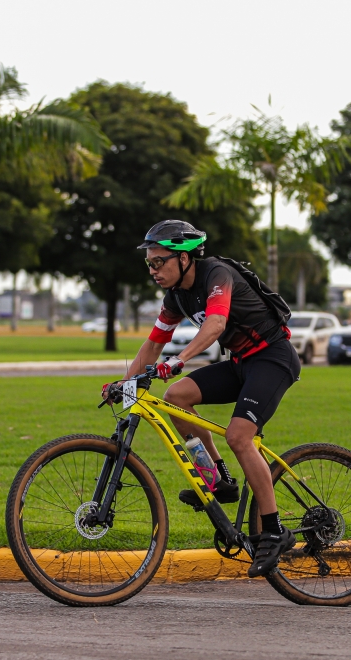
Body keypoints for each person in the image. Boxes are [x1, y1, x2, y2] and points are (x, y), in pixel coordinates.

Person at [104, 220, 301, 578]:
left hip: (273, 358)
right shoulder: (176, 296)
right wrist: (124, 383)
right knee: (176, 396)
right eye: (149, 263)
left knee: (239, 436)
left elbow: (215, 325)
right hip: (241, 363)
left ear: (184, 258)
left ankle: (274, 530)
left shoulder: (216, 275)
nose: (153, 270)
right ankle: (218, 478)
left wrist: (180, 359)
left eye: (159, 262)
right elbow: (153, 344)